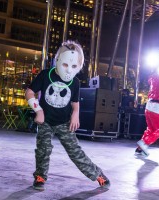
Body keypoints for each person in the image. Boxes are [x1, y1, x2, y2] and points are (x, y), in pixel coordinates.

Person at [25, 41, 110, 191]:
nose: (69, 70)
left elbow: (75, 103)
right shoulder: (46, 75)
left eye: (74, 66)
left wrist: (75, 115)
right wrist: (38, 110)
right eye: (65, 65)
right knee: (43, 149)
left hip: (64, 123)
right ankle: (40, 176)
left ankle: (98, 174)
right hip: (46, 122)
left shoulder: (75, 82)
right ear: (57, 60)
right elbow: (29, 92)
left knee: (76, 152)